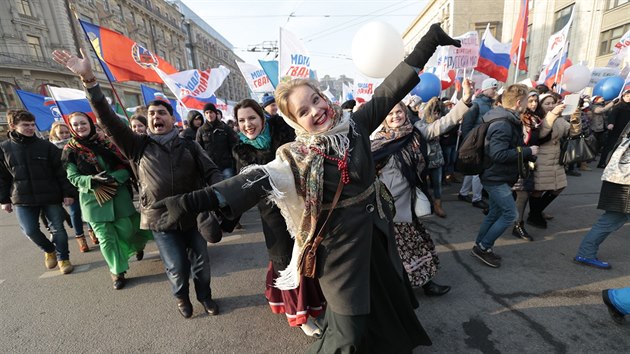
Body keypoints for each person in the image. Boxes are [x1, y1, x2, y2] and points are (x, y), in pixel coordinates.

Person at [152, 24, 461, 353]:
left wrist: (430, 41)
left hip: (377, 236)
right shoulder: (295, 158)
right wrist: (190, 202)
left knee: (387, 302)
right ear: (294, 122)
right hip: (340, 254)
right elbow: (249, 182)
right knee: (348, 332)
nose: (316, 110)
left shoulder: (354, 125)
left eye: (316, 99)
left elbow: (391, 88)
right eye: (304, 110)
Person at [53, 48, 224, 317]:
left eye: (162, 113)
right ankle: (182, 299)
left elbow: (213, 172)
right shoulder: (137, 146)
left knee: (201, 265)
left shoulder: (189, 145)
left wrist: (219, 193)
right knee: (177, 266)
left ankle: (206, 296)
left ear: (172, 119)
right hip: (161, 219)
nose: (156, 117)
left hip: (194, 215)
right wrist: (89, 80)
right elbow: (108, 119)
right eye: (152, 114)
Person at [232, 98, 326, 336]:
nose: (247, 124)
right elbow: (246, 187)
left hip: (302, 205)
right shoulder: (241, 151)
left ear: (262, 118)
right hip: (272, 214)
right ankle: (300, 315)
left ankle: (315, 302)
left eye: (252, 118)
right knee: (285, 260)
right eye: (241, 121)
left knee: (308, 254)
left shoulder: (284, 131)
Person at [371, 79, 472, 296]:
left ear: (405, 112)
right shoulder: (377, 142)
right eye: (390, 115)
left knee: (414, 247)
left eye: (398, 112)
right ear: (384, 119)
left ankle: (419, 285)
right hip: (390, 209)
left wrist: (464, 101)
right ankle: (415, 287)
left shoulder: (415, 131)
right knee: (407, 250)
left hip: (411, 202)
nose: (395, 116)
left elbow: (441, 125)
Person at [62, 112, 152, 289]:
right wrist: (91, 180)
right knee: (106, 239)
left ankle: (136, 246)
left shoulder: (108, 144)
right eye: (76, 124)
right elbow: (72, 177)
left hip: (118, 195)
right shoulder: (70, 150)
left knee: (127, 231)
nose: (80, 127)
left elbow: (127, 167)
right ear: (71, 127)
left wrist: (113, 177)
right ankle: (117, 271)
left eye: (83, 123)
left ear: (90, 124)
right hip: (93, 200)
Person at [471, 84, 539, 268]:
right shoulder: (503, 123)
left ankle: (480, 245)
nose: (528, 104)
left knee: (495, 212)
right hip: (495, 176)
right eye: (526, 101)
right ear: (518, 103)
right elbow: (498, 154)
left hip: (496, 175)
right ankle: (484, 247)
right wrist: (527, 151)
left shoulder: (503, 117)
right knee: (510, 214)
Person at [0, 110, 75, 274]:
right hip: (22, 198)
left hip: (50, 195)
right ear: (13, 126)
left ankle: (63, 258)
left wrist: (68, 193)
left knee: (58, 230)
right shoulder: (4, 148)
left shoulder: (46, 146)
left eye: (32, 124)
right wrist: (3, 199)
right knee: (30, 230)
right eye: (25, 125)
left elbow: (61, 172)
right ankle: (49, 250)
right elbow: (2, 177)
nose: (30, 128)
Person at [574, 120, 629, 269]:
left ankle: (586, 253)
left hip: (618, 180)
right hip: (624, 182)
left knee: (611, 219)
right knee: (611, 219)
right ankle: (586, 253)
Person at [527, 93, 581, 229]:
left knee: (559, 186)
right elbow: (542, 133)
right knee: (539, 189)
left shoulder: (560, 119)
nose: (551, 105)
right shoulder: (536, 118)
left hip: (556, 158)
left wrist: (575, 119)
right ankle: (534, 216)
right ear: (540, 105)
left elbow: (573, 133)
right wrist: (553, 114)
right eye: (547, 103)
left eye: (553, 103)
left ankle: (537, 211)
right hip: (541, 157)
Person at [49, 121, 96, 252]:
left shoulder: (76, 145)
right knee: (75, 212)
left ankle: (92, 230)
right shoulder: (52, 149)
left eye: (66, 132)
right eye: (61, 133)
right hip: (67, 187)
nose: (64, 135)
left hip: (81, 182)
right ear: (55, 134)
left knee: (88, 209)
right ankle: (80, 238)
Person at [511, 91, 549, 241]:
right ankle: (517, 225)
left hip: (529, 160)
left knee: (522, 192)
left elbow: (541, 139)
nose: (533, 104)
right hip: (518, 159)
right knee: (522, 193)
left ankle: (514, 222)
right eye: (530, 100)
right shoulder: (518, 118)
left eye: (536, 101)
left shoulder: (535, 119)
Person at [458, 78, 498, 211]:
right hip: (476, 141)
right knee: (478, 169)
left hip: (484, 140)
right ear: (486, 89)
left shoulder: (491, 104)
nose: (495, 91)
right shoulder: (476, 104)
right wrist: (469, 142)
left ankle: (464, 193)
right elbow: (467, 124)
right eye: (493, 88)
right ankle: (477, 198)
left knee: (472, 169)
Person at [196, 102, 238, 179]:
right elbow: (198, 150)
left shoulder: (225, 128)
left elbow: (234, 145)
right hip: (211, 168)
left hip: (226, 165)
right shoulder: (201, 130)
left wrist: (235, 162)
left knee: (230, 187)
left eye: (211, 112)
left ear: (215, 113)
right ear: (204, 115)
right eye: (207, 113)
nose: (209, 115)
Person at [598, 90, 630, 167]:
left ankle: (614, 164)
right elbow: (612, 115)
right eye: (627, 96)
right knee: (609, 146)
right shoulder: (619, 105)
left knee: (621, 148)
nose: (629, 98)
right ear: (623, 96)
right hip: (616, 129)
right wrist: (611, 123)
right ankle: (602, 162)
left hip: (626, 130)